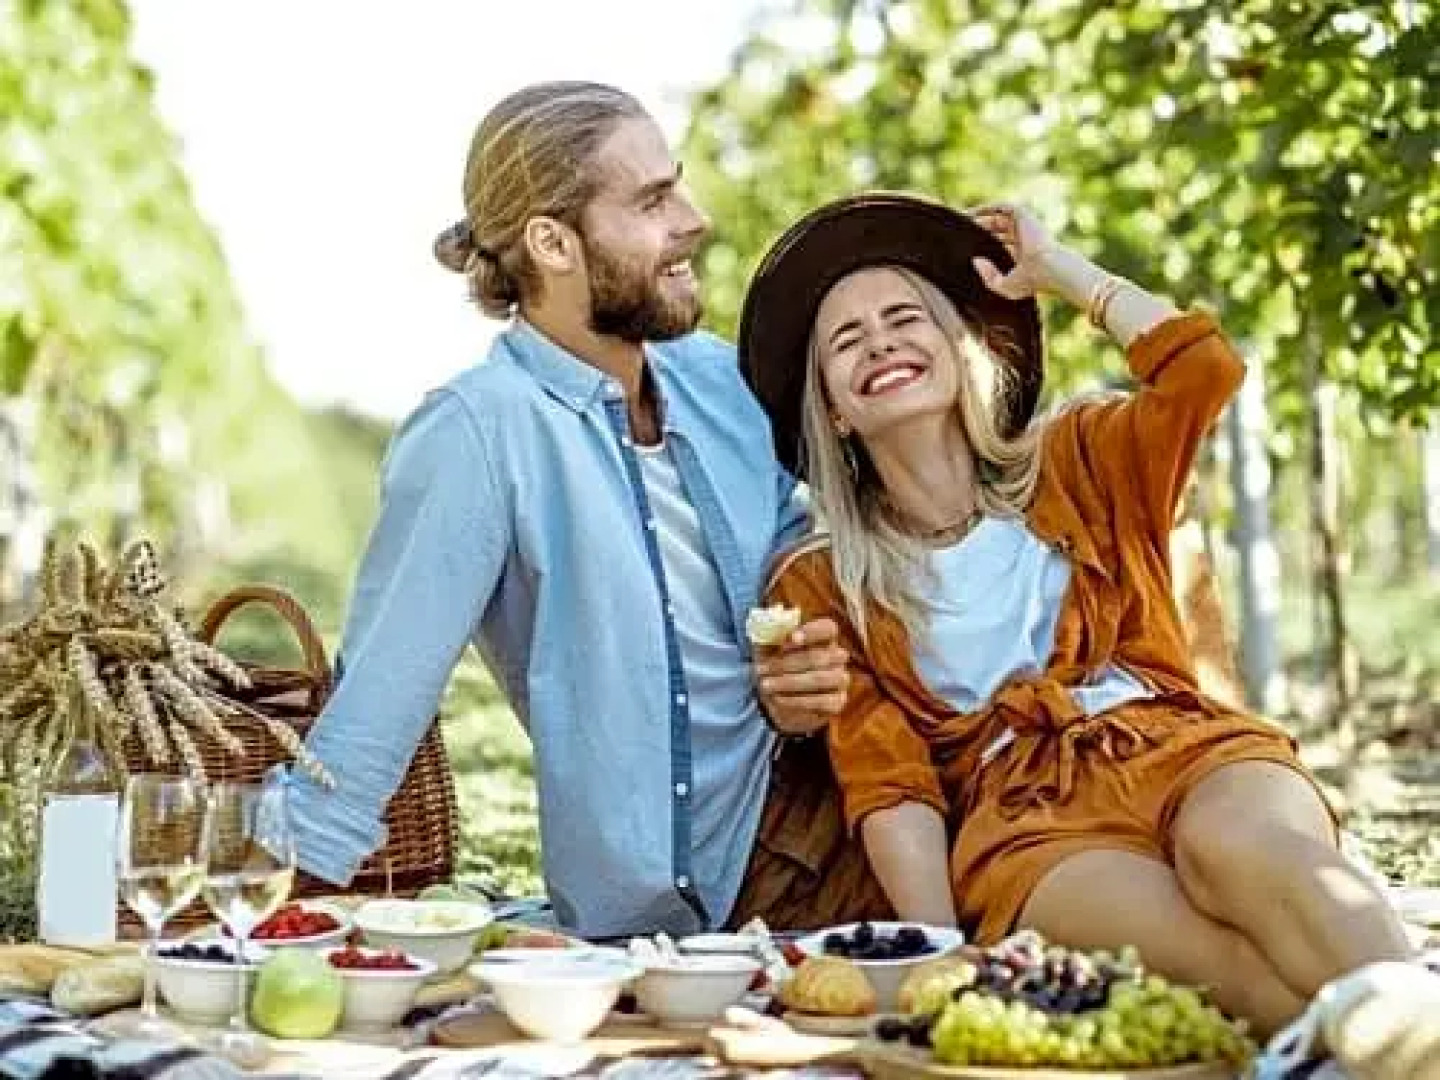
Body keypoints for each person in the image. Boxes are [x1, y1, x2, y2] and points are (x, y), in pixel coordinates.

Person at [736, 192, 1416, 1034]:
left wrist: (1063, 273)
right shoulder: (820, 581)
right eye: (847, 339)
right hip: (1028, 826)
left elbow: (1202, 373)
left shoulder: (1081, 455)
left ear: (960, 347)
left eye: (905, 318)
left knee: (1246, 857)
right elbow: (891, 784)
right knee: (1226, 972)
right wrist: (942, 951)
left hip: (1179, 746)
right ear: (834, 406)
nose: (880, 341)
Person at [274, 81, 894, 939]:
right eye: (652, 200)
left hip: (860, 795)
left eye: (676, 185)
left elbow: (826, 565)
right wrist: (252, 928)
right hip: (727, 878)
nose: (694, 218)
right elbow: (381, 700)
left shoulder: (723, 380)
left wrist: (808, 662)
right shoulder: (479, 433)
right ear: (552, 242)